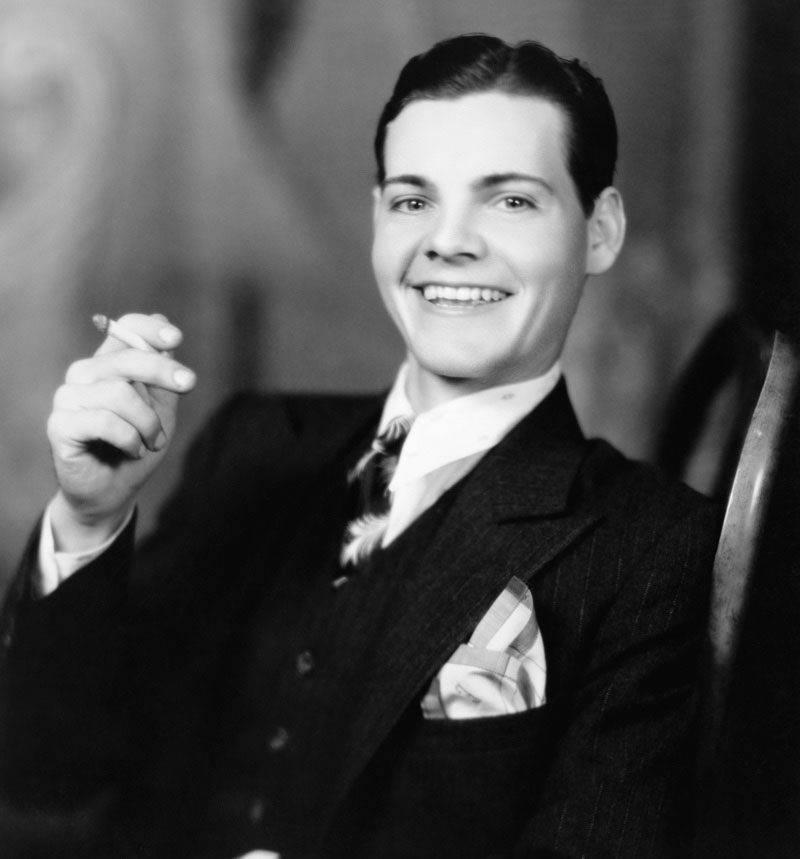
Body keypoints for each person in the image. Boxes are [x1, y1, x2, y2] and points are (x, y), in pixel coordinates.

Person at [0, 34, 718, 858]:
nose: (449, 240)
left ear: (599, 231)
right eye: (414, 200)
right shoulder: (257, 442)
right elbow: (46, 770)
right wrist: (89, 519)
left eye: (510, 200)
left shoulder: (648, 548)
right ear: (379, 219)